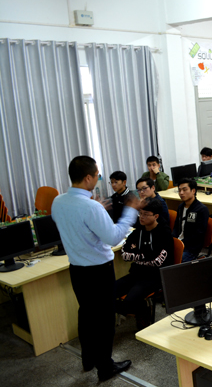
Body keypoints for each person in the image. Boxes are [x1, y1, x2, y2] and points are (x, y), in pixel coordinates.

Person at [51, 156, 139, 382]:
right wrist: (130, 211)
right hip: (99, 272)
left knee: (86, 315)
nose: (99, 179)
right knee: (105, 320)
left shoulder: (58, 201)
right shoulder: (90, 207)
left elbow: (75, 225)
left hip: (77, 270)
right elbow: (114, 237)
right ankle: (105, 367)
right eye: (98, 175)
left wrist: (97, 211)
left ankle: (88, 359)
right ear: (88, 177)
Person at [116, 199, 174, 330]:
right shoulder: (138, 231)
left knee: (129, 302)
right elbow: (124, 254)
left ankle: (142, 310)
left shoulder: (164, 232)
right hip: (136, 273)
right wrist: (145, 255)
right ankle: (142, 309)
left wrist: (137, 254)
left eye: (146, 214)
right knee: (107, 292)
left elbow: (157, 261)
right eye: (140, 213)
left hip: (154, 277)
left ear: (156, 216)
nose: (141, 217)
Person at [171, 178, 209, 262]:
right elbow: (176, 227)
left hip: (191, 248)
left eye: (184, 190)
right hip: (178, 243)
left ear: (193, 191)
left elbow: (198, 234)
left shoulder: (201, 209)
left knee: (175, 261)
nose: (181, 193)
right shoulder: (181, 207)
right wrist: (173, 240)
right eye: (179, 190)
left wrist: (181, 243)